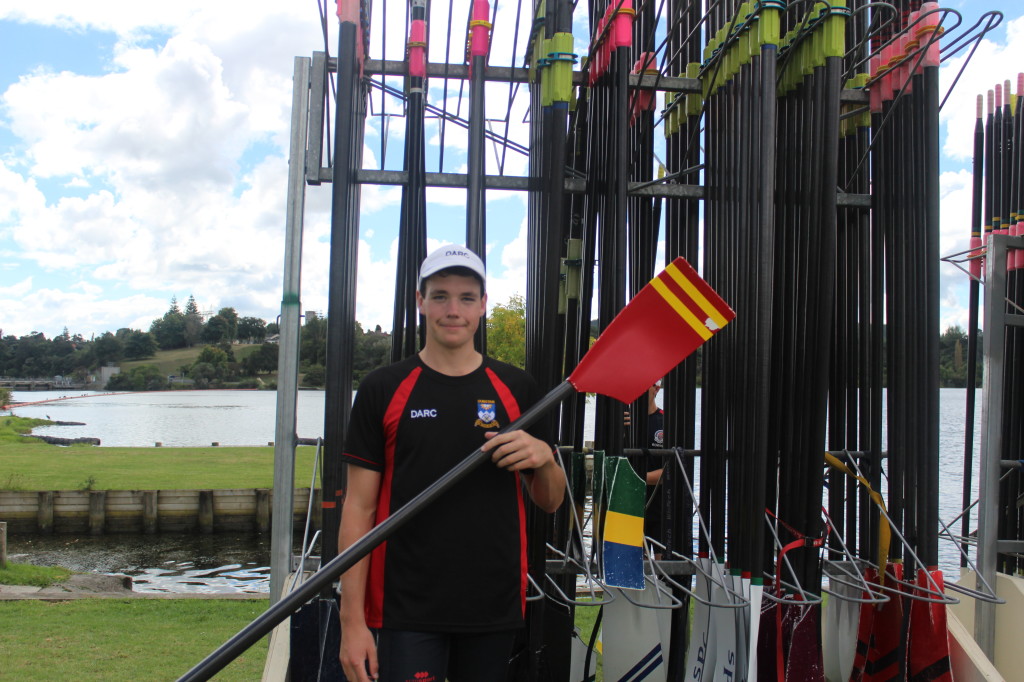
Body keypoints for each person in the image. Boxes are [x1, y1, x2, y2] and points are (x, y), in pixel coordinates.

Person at [337, 244, 567, 682]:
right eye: (440, 295)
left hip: (492, 602)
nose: (452, 309)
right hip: (405, 605)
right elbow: (359, 510)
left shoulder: (517, 387)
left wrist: (544, 461)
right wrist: (352, 622)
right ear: (420, 302)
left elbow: (551, 502)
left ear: (483, 305)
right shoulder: (384, 387)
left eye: (466, 297)